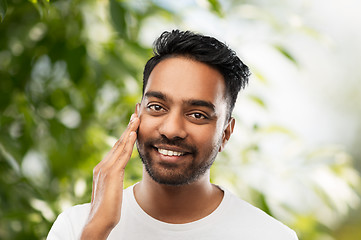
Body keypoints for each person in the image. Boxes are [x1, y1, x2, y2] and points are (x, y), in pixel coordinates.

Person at [47, 30, 298, 240]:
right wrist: (97, 230)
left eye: (197, 114)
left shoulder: (269, 235)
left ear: (226, 132)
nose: (171, 129)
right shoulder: (74, 226)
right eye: (157, 107)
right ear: (137, 115)